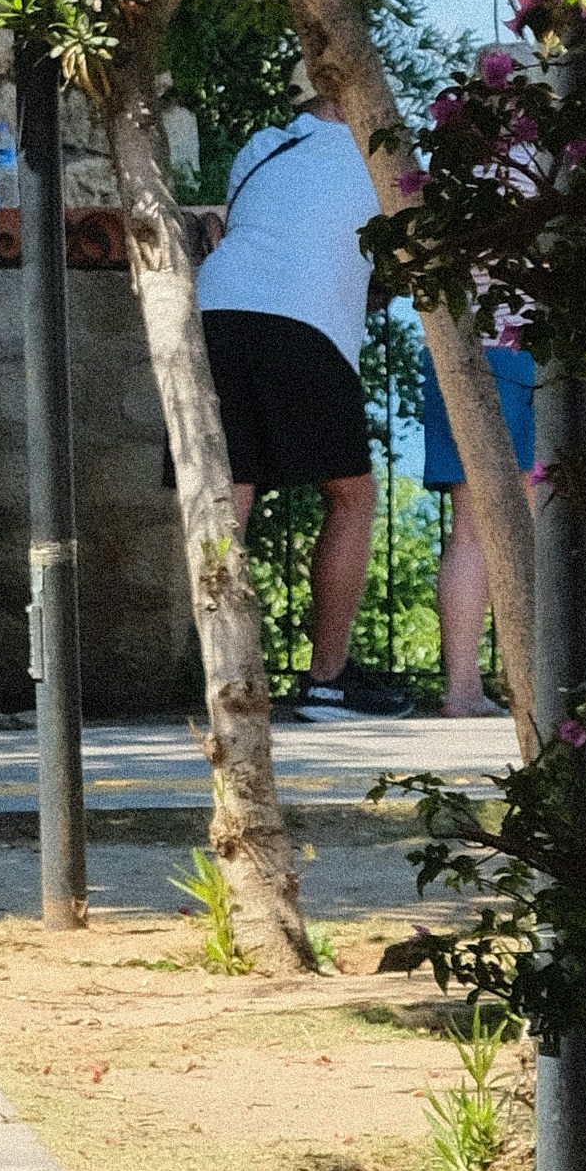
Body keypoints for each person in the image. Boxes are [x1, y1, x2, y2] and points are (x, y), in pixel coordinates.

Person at [195, 99, 390, 716]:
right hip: (307, 323)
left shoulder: (263, 147)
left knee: (231, 494)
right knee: (351, 495)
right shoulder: (381, 157)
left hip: (218, 313)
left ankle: (219, 677)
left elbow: (244, 226)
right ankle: (326, 681)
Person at [420, 333, 536, 722]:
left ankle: (463, 688)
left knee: (467, 531)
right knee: (526, 524)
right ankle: (531, 683)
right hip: (516, 354)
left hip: (449, 354)